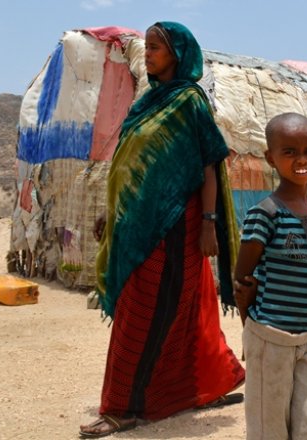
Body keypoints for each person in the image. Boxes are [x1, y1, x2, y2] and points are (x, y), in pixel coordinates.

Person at [79, 22, 245, 439]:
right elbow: (132, 170)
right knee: (167, 311)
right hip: (137, 226)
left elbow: (208, 164)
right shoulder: (148, 102)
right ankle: (202, 384)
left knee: (148, 314)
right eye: (147, 47)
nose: (148, 54)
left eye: (156, 47)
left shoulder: (190, 102)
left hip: (177, 229)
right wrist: (112, 212)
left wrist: (209, 224)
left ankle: (124, 408)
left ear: (178, 53)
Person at [233, 113, 307, 440]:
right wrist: (252, 328)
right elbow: (242, 278)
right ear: (270, 158)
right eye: (289, 152)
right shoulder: (265, 214)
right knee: (269, 428)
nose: (302, 159)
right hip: (270, 337)